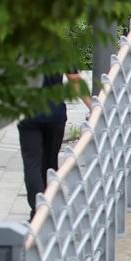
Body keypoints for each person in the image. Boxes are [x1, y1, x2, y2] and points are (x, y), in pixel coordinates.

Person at [18, 71, 88, 218]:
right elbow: (74, 79)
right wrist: (93, 106)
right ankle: (49, 207)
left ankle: (38, 212)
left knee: (32, 165)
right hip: (54, 115)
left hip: (28, 114)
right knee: (49, 165)